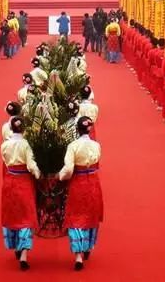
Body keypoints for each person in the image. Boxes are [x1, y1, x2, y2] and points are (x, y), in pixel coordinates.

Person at [59, 116, 103, 271]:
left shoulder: (73, 146)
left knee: (76, 217)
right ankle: (87, 247)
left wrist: (60, 177)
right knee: (91, 215)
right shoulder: (96, 145)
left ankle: (78, 255)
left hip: (78, 182)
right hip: (92, 182)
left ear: (77, 129)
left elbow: (69, 169)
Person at [0, 117, 40, 271]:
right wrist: (38, 175)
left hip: (10, 180)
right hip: (24, 181)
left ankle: (16, 245)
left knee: (13, 214)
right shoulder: (26, 145)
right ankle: (23, 253)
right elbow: (31, 166)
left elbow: (5, 161)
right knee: (26, 215)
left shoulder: (4, 145)